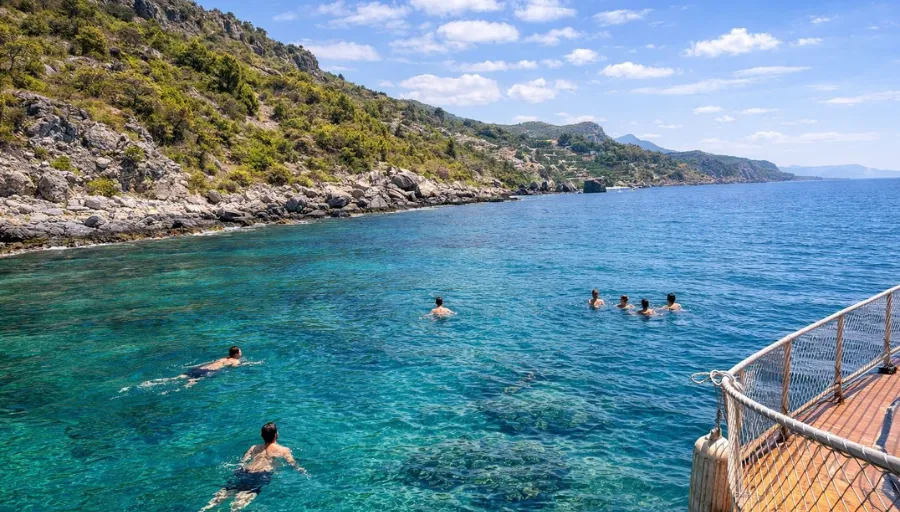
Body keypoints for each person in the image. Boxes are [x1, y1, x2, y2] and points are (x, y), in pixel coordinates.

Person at [201, 422, 306, 512]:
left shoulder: (253, 448)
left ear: (261, 435)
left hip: (244, 472)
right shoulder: (283, 450)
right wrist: (302, 471)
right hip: (261, 475)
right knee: (237, 505)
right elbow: (293, 463)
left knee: (223, 494)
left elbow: (243, 461)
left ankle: (204, 508)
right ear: (276, 435)